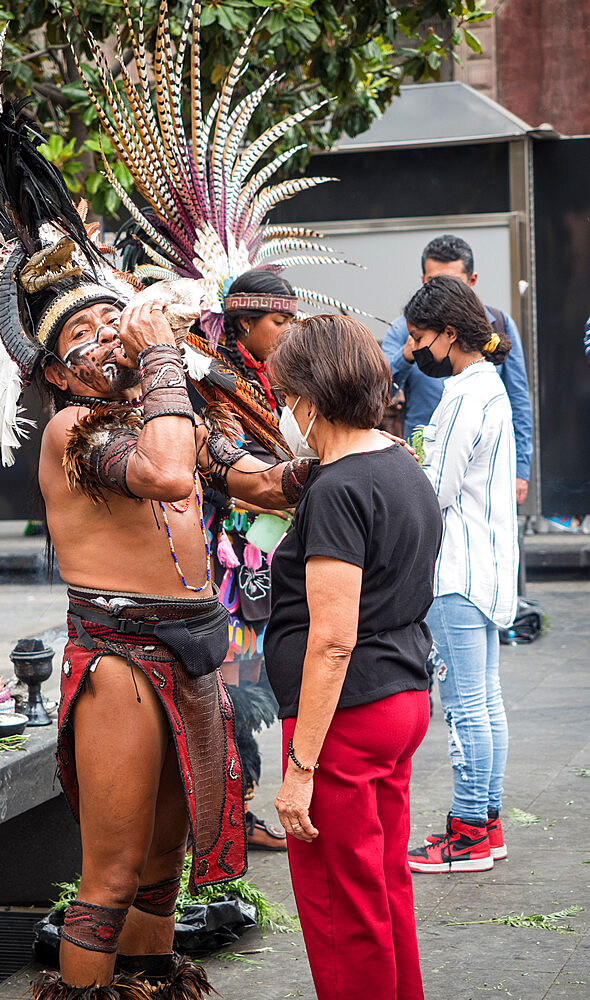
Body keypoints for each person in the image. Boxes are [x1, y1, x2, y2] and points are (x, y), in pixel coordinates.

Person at [34, 277, 318, 998]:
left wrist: (352, 451)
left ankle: (149, 986)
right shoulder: (73, 430)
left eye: (113, 318)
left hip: (190, 655)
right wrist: (164, 355)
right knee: (114, 870)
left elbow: (265, 483)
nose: (109, 334)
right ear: (57, 373)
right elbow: (164, 474)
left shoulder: (172, 418)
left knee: (164, 865)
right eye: (86, 332)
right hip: (119, 660)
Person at [263, 314, 442, 1000]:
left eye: (286, 396)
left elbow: (332, 638)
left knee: (343, 907)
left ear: (309, 399)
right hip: (399, 699)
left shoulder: (340, 491)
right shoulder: (399, 463)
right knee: (385, 883)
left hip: (347, 717)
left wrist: (300, 768)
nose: (284, 410)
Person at [403, 276, 518, 874]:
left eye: (419, 338)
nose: (411, 351)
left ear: (450, 334)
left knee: (466, 705)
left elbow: (434, 491)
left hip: (455, 575)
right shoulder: (489, 389)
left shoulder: (462, 398)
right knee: (485, 701)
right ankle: (486, 823)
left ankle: (469, 832)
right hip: (488, 567)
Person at [209, 267, 298, 853]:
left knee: (258, 677)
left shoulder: (273, 374)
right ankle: (231, 818)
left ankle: (240, 813)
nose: (289, 330)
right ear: (244, 324)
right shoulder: (213, 381)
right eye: (278, 320)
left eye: (292, 318)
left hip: (269, 549)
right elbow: (215, 468)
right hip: (229, 559)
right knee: (234, 686)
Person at [382, 234, 533, 507]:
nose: (441, 290)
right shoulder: (405, 329)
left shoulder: (498, 326)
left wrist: (521, 469)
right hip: (420, 463)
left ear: (471, 281)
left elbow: (519, 399)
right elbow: (374, 392)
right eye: (432, 282)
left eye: (450, 282)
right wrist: (406, 356)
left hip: (481, 471)